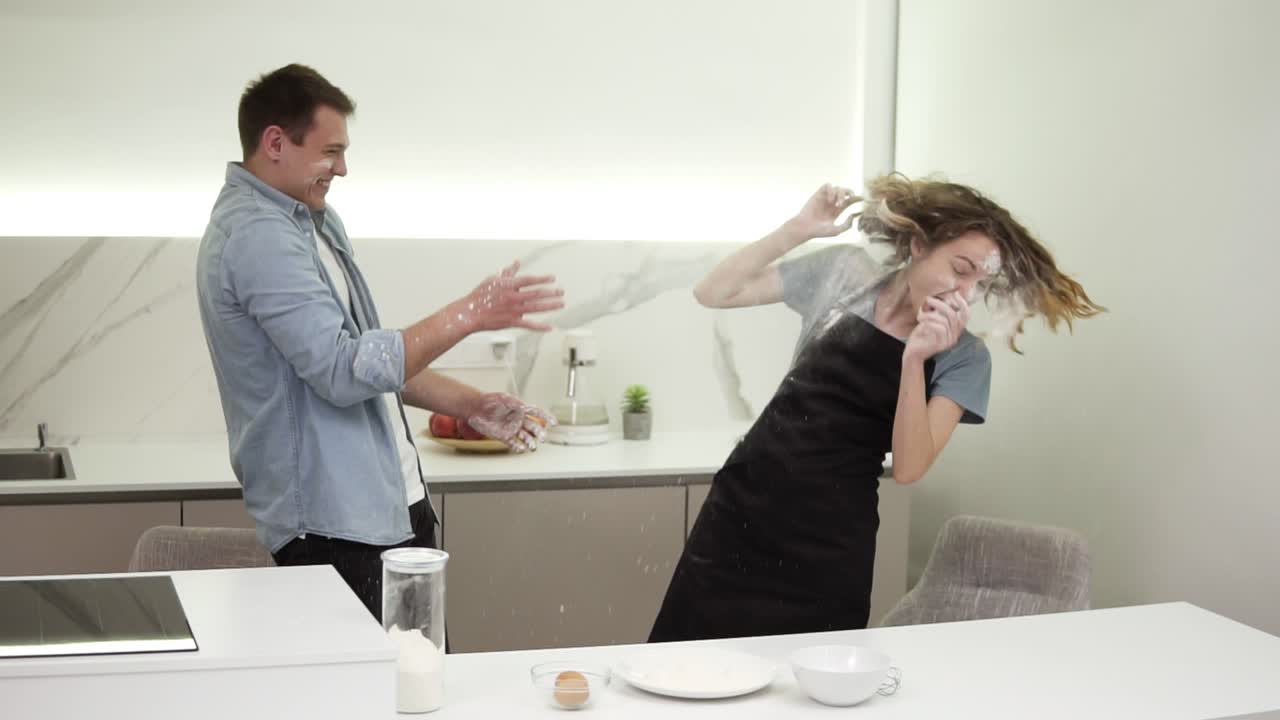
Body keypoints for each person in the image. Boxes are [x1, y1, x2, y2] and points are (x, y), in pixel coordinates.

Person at [649, 175, 1103, 641]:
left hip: (826, 551)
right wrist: (798, 228)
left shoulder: (965, 358)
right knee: (681, 666)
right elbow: (713, 292)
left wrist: (915, 360)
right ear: (919, 244)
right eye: (960, 268)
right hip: (738, 519)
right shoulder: (843, 274)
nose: (965, 292)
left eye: (978, 281)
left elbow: (908, 467)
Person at [196, 64, 563, 620]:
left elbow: (367, 357)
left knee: (422, 686)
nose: (342, 168)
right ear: (275, 142)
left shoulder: (312, 220)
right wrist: (470, 314)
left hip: (390, 504)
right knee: (376, 695)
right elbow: (345, 371)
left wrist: (472, 404)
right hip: (334, 527)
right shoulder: (255, 236)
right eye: (330, 151)